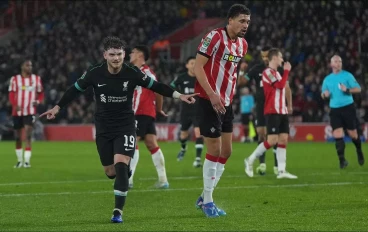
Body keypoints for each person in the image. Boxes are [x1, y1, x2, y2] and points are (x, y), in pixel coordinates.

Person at [40, 36, 197, 223]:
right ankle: (124, 173)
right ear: (105, 55)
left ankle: (117, 212)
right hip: (104, 127)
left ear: (124, 54)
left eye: (120, 54)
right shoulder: (94, 73)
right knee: (110, 172)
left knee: (121, 165)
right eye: (112, 54)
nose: (116, 58)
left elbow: (157, 86)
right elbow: (74, 90)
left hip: (126, 125)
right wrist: (57, 108)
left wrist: (180, 96)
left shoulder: (132, 72)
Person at [194, 4, 250, 218]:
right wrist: (212, 93)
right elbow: (199, 67)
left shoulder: (242, 45)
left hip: (226, 102)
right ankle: (208, 202)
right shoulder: (214, 37)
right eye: (242, 21)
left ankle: (203, 196)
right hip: (209, 100)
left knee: (226, 152)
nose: (246, 25)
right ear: (230, 20)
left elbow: (230, 71)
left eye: (248, 22)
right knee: (214, 149)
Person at [244, 48, 297, 179]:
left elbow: (284, 87)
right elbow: (279, 86)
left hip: (282, 110)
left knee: (283, 139)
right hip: (272, 110)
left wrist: (288, 105)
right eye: (280, 57)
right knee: (272, 140)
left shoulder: (278, 74)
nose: (282, 59)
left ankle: (281, 171)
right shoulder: (267, 72)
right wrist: (286, 71)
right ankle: (250, 160)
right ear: (274, 58)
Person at [129, 45, 169, 189]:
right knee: (151, 143)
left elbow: (158, 90)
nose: (130, 54)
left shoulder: (145, 73)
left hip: (140, 112)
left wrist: (159, 108)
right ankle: (163, 180)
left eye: (132, 52)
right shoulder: (139, 72)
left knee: (131, 142)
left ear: (140, 55)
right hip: (147, 113)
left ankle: (128, 179)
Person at [321, 55, 364, 168]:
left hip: (348, 108)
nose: (338, 63)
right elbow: (323, 93)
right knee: (338, 134)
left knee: (353, 135)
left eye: (340, 61)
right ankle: (342, 161)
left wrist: (348, 90)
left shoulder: (347, 75)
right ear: (331, 64)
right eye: (336, 61)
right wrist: (325, 95)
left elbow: (358, 88)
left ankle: (359, 150)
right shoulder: (327, 79)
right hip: (335, 109)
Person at [8, 59, 44, 168]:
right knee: (18, 137)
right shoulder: (15, 79)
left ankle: (27, 162)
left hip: (30, 111)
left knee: (28, 135)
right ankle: (19, 161)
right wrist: (15, 104)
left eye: (31, 66)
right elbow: (11, 94)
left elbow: (41, 93)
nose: (30, 68)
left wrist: (37, 101)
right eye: (27, 65)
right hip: (17, 112)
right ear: (22, 67)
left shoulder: (36, 79)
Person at [170, 56, 203, 167]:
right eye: (192, 63)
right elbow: (171, 86)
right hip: (185, 111)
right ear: (187, 65)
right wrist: (179, 95)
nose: (194, 65)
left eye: (195, 63)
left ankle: (198, 159)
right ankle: (183, 149)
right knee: (184, 134)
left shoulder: (201, 77)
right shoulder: (181, 77)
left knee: (199, 133)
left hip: (198, 111)